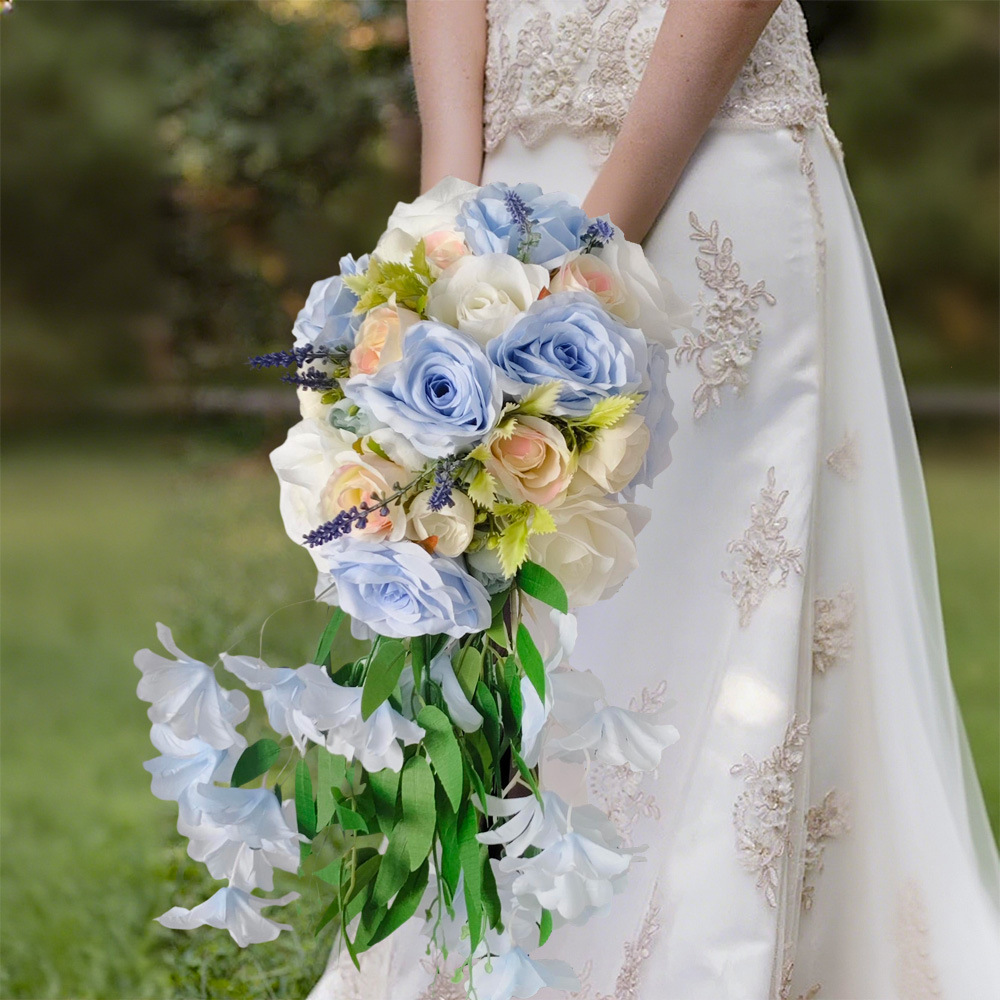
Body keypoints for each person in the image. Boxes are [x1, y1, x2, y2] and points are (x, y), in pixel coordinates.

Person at [310, 2, 1000, 997]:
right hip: (508, 184)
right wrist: (445, 236)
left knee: (711, 605)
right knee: (532, 627)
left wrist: (596, 250)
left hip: (706, 155)